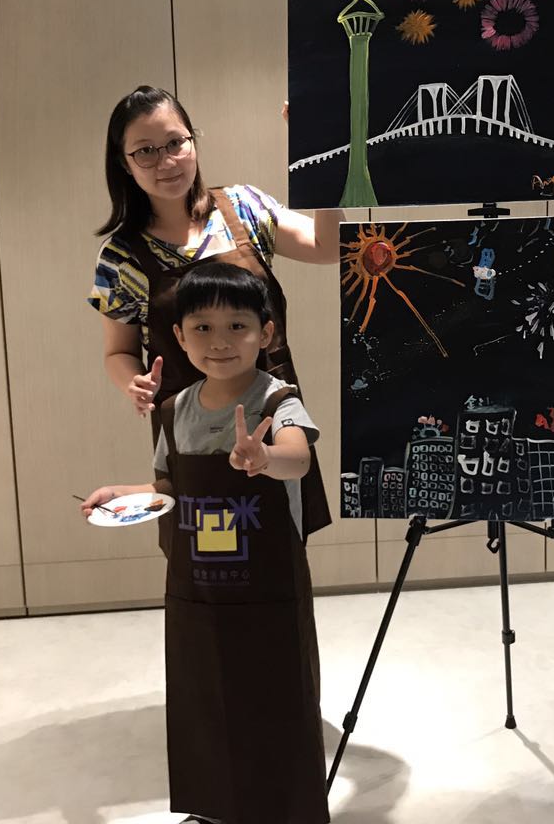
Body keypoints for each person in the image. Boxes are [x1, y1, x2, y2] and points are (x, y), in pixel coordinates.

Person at [81, 261, 329, 824]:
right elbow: (169, 486)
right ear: (179, 336)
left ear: (266, 333)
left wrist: (264, 457)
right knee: (203, 700)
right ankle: (213, 808)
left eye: (238, 326)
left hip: (269, 591)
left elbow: (297, 459)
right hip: (197, 592)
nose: (220, 342)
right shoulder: (176, 410)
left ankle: (284, 811)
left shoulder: (278, 402)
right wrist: (121, 494)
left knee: (276, 696)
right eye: (203, 328)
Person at [87, 85, 340, 550]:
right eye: (146, 151)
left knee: (280, 547)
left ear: (193, 141)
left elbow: (328, 248)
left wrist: (322, 155)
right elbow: (118, 352)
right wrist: (132, 383)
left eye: (175, 143)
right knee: (207, 556)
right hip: (191, 429)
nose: (166, 161)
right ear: (124, 163)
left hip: (269, 417)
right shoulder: (119, 257)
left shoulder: (244, 208)